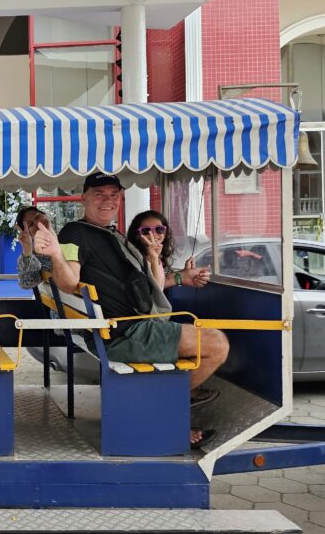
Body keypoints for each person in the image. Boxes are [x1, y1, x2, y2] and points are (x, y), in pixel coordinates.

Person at [39, 173, 228, 448]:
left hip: (122, 328)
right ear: (84, 197)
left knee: (204, 338)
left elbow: (151, 284)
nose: (108, 201)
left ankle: (171, 404)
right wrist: (56, 254)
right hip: (124, 333)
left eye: (114, 195)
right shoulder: (74, 234)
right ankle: (162, 413)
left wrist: (165, 266)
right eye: (99, 194)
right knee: (216, 344)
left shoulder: (109, 232)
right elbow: (68, 284)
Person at [125, 210, 211, 292]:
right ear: (137, 235)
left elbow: (159, 281)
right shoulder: (133, 259)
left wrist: (184, 274)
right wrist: (154, 257)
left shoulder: (155, 256)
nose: (153, 234)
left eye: (159, 229)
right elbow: (155, 290)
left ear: (165, 233)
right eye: (146, 231)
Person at [15, 206, 54, 290]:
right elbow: (26, 283)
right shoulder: (37, 257)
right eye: (31, 224)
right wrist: (27, 250)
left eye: (37, 217)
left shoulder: (67, 238)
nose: (37, 223)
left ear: (45, 214)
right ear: (27, 233)